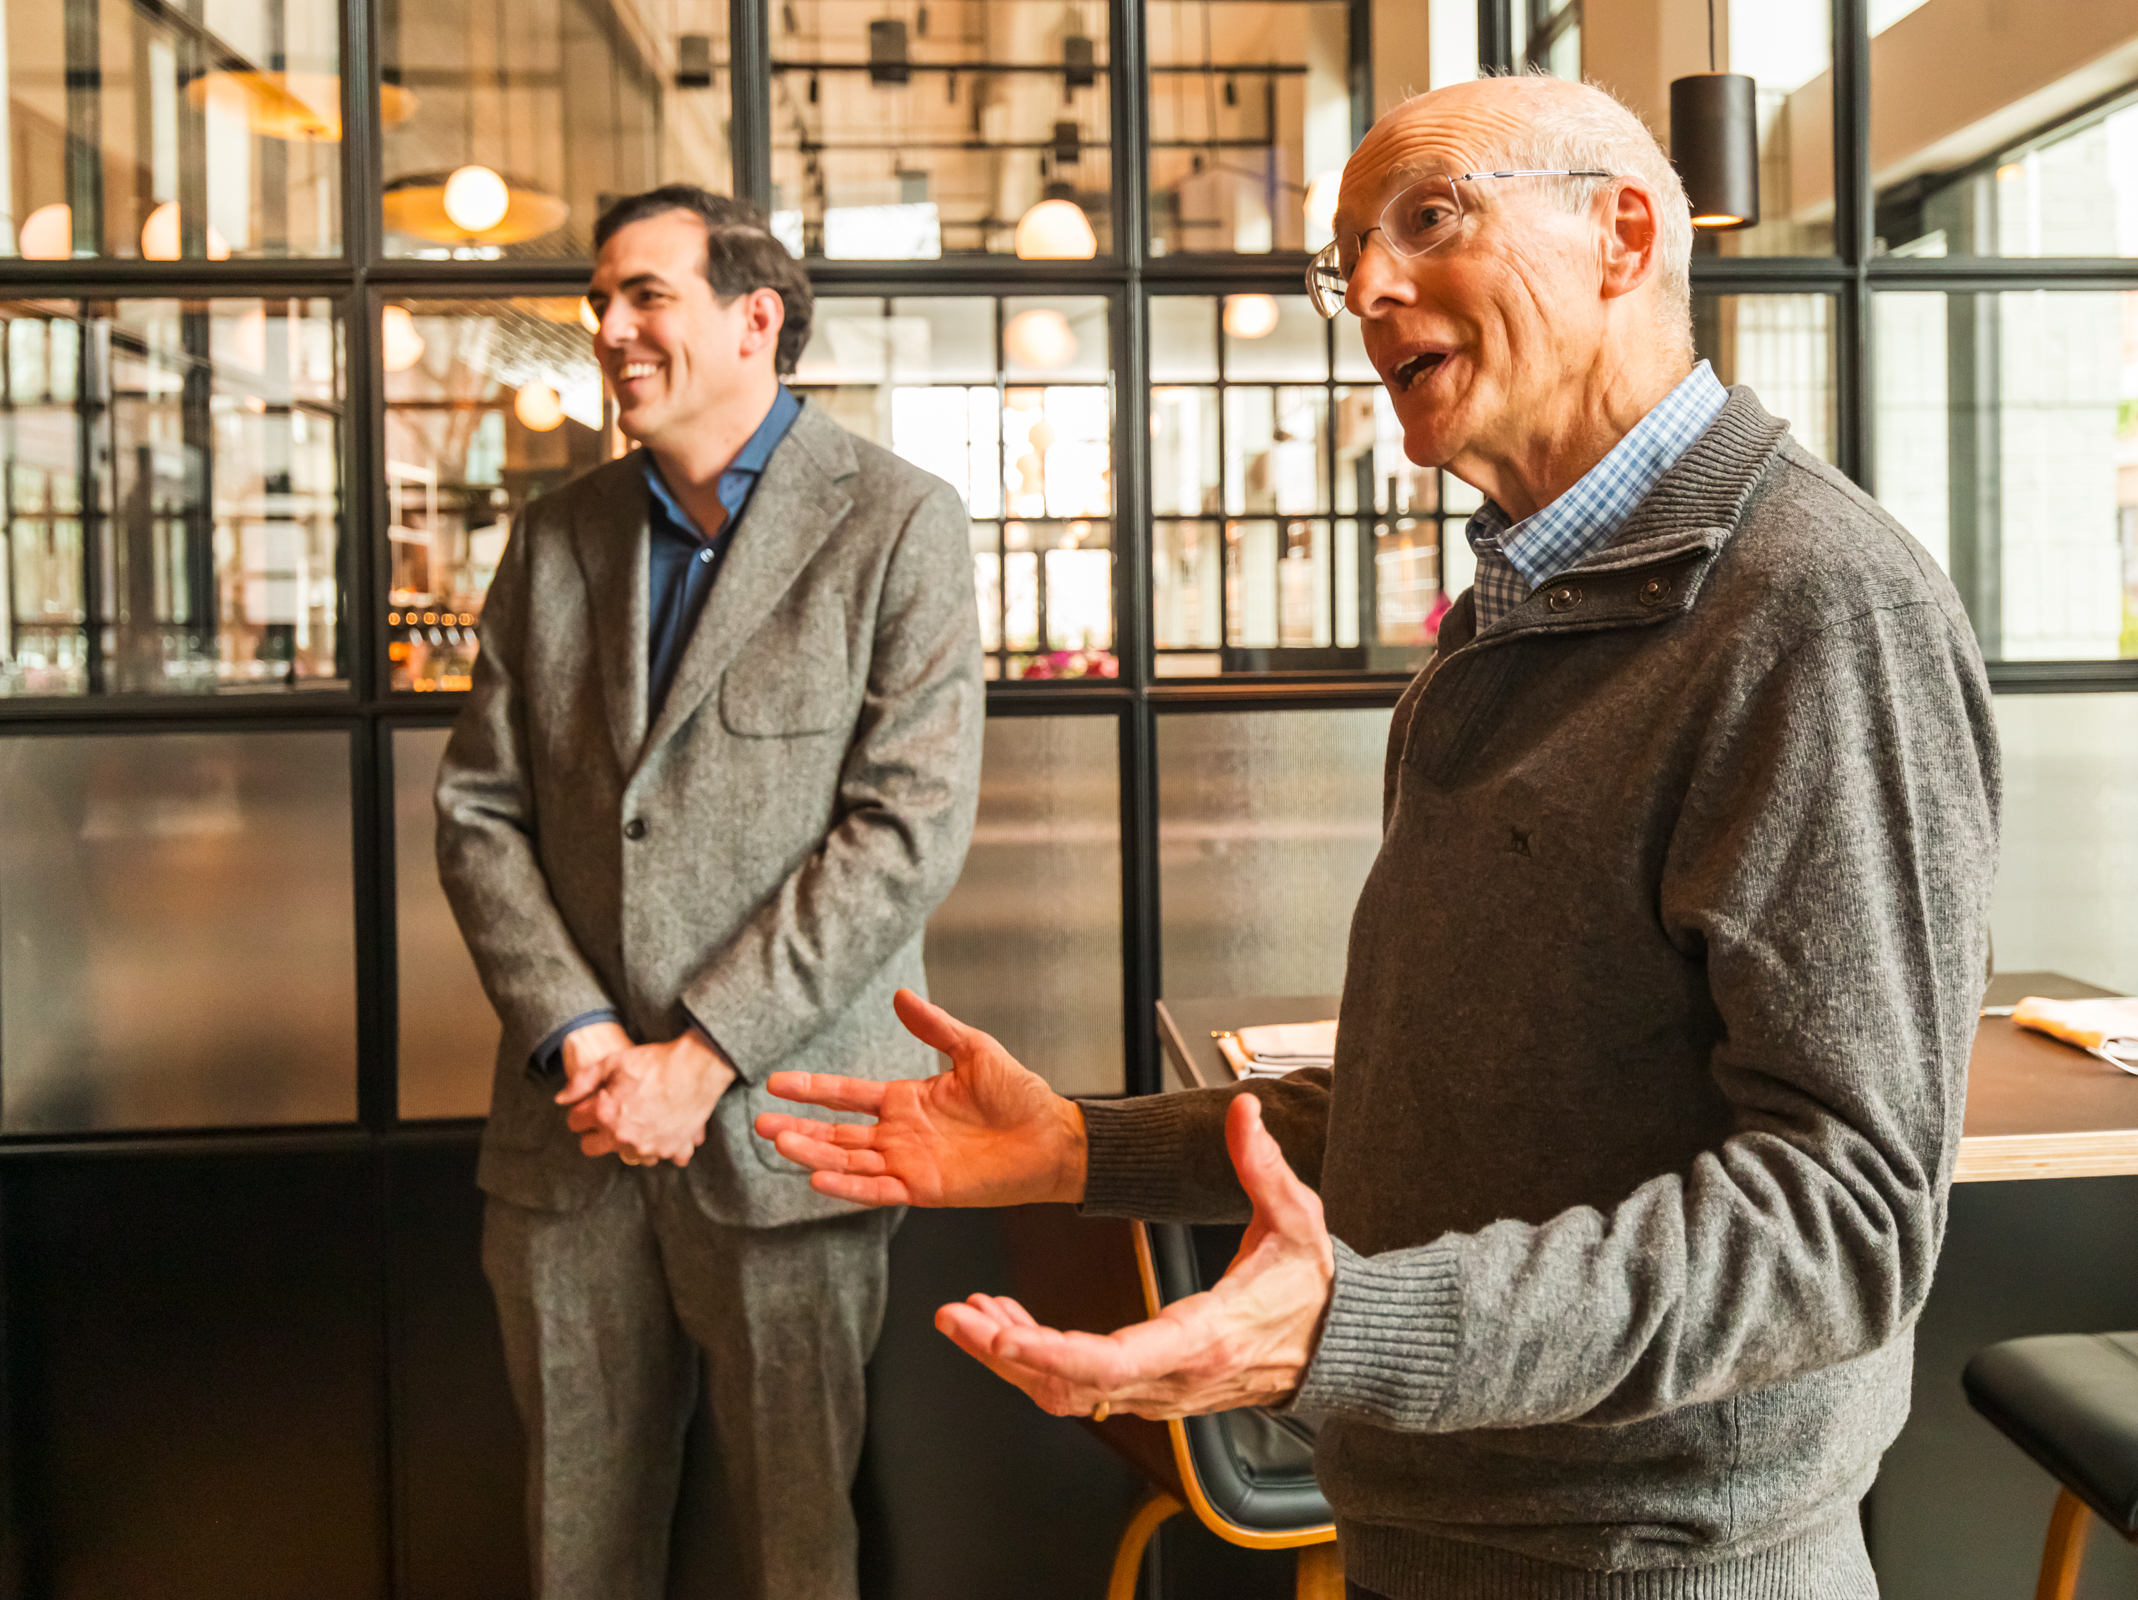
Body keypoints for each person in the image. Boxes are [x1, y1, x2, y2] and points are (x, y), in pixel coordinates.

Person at [758, 74, 2001, 1600]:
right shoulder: (1515, 613)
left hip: (1652, 1561)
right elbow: (1454, 1109)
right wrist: (1082, 1149)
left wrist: (1349, 1326)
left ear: (1622, 236)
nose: (1364, 287)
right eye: (1343, 253)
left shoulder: (1812, 608)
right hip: (1441, 1526)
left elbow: (1846, 1218)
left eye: (1428, 219)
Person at [435, 184, 984, 1600]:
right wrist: (586, 1036)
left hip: (789, 1135)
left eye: (644, 296)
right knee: (580, 1544)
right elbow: (479, 812)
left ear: (758, 319)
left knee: (799, 1548)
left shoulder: (898, 524)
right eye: (600, 302)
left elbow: (903, 829)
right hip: (570, 1136)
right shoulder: (555, 537)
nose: (609, 330)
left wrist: (704, 1055)